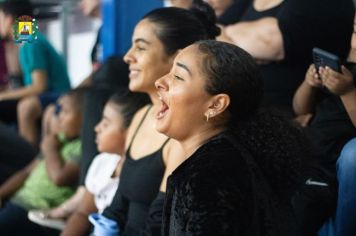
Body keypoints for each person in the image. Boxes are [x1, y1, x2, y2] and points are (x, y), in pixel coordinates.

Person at [155, 40, 309, 235]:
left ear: (216, 105)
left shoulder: (209, 176)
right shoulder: (229, 159)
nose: (160, 82)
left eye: (177, 76)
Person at [100, 4, 220, 235]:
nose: (127, 57)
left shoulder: (187, 131)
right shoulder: (139, 117)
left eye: (141, 48)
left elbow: (160, 223)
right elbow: (118, 205)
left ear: (178, 58)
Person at [28, 90, 148, 235]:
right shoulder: (102, 162)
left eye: (106, 123)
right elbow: (83, 213)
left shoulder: (142, 178)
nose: (97, 128)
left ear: (131, 130)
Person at [217, 0, 354, 109]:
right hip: (238, 100)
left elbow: (269, 42)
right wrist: (240, 50)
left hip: (279, 109)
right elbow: (211, 28)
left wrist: (226, 35)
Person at [0, 89, 85, 235]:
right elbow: (26, 171)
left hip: (38, 212)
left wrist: (50, 149)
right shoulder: (59, 140)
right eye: (59, 111)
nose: (58, 117)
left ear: (85, 118)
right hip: (18, 201)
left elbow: (60, 178)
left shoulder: (81, 147)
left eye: (65, 111)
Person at [0, 0, 71, 128]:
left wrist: (4, 96)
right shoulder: (26, 40)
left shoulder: (31, 43)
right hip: (47, 94)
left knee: (21, 107)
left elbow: (39, 86)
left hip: (57, 95)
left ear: (9, 19)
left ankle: (25, 148)